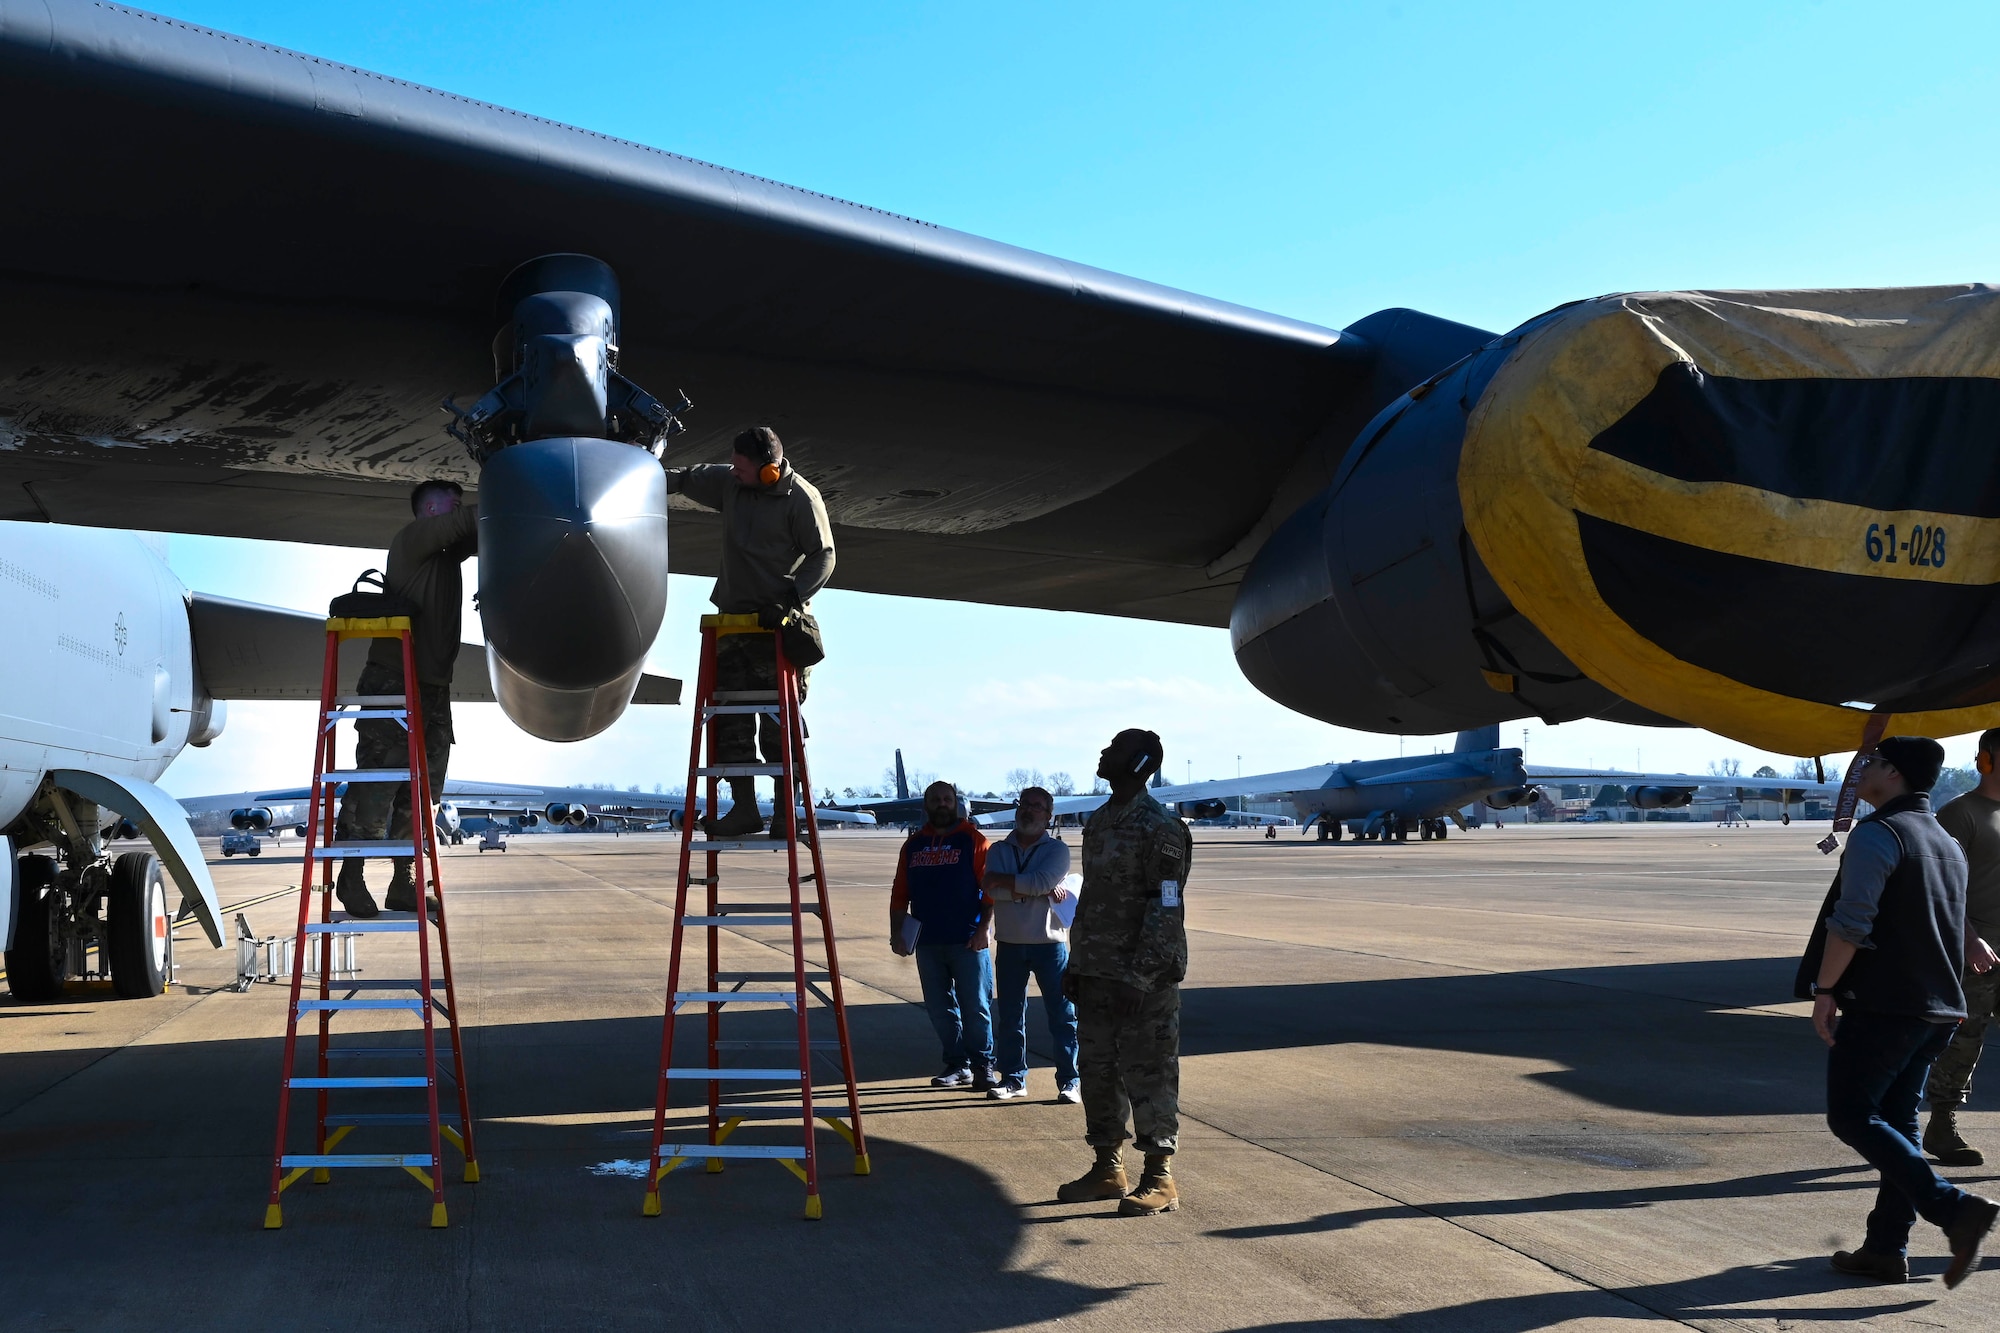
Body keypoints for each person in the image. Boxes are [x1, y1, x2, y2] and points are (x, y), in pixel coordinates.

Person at [1801, 736, 1998, 1286]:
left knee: (1852, 1115)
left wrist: (1825, 990)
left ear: (1894, 774)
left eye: (1871, 763)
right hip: (1938, 1007)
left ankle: (1955, 1209)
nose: (1860, 771)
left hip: (1886, 1004)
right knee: (1898, 1123)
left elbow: (1852, 921)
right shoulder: (1944, 839)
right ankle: (1887, 1247)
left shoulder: (1879, 833)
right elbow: (1955, 922)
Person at [664, 426, 835, 838]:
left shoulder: (801, 499)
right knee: (730, 719)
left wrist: (791, 598)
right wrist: (634, 474)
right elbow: (686, 478)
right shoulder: (730, 483)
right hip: (733, 626)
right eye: (733, 466)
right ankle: (743, 809)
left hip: (778, 628)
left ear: (771, 471)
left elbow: (823, 556)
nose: (734, 472)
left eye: (742, 467)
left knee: (780, 725)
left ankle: (782, 814)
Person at [1057, 728, 1191, 1217]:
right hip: (1097, 972)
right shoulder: (1101, 821)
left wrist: (1141, 976)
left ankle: (1160, 1178)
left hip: (1143, 978)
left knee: (1149, 1071)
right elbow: (1090, 898)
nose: (1102, 753)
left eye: (1113, 749)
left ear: (1137, 763)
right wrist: (1078, 963)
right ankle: (1107, 1168)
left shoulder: (1160, 827)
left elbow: (1165, 906)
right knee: (1098, 1070)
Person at [334, 479, 477, 919]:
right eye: (452, 505)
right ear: (432, 512)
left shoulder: (446, 556)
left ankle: (405, 879)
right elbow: (473, 520)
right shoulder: (413, 539)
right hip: (394, 682)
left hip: (433, 688)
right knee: (378, 785)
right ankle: (351, 876)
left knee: (424, 793)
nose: (460, 509)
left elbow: (480, 531)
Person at [889, 781, 996, 1089]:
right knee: (939, 1008)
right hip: (927, 942)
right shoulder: (913, 846)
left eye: (947, 799)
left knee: (976, 1006)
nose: (942, 803)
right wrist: (897, 933)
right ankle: (957, 1064)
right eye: (935, 799)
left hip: (967, 941)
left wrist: (983, 929)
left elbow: (989, 891)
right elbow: (900, 893)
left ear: (955, 803)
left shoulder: (974, 841)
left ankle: (983, 1065)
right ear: (926, 804)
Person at [1926, 727, 2000, 1165]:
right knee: (1964, 1038)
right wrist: (1970, 940)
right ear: (1986, 760)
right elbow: (1942, 890)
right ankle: (1941, 1123)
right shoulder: (1960, 815)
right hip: (1975, 953)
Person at [983, 786, 1079, 1103]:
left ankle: (1070, 1081)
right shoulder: (997, 849)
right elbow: (990, 889)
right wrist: (1038, 888)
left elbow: (1038, 881)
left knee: (1062, 1015)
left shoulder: (1057, 851)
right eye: (1025, 805)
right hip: (1009, 943)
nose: (1029, 811)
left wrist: (1022, 884)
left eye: (1037, 807)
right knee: (1010, 1016)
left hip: (1049, 945)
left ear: (1048, 815)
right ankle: (1013, 1079)